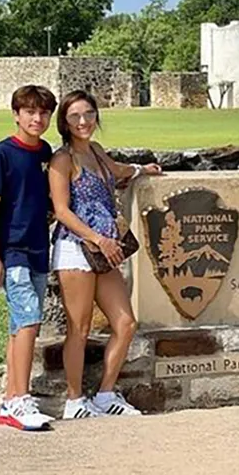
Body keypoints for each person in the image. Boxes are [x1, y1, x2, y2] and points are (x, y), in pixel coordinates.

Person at [48, 89, 162, 419]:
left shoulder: (96, 152)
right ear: (65, 123)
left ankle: (105, 394)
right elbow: (61, 210)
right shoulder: (63, 160)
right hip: (76, 247)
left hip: (104, 251)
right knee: (79, 329)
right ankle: (74, 400)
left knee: (125, 323)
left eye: (88, 114)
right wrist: (98, 238)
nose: (83, 121)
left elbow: (117, 170)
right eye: (75, 117)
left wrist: (141, 169)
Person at [0, 84, 59, 431]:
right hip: (12, 251)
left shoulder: (46, 152)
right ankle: (19, 400)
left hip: (40, 248)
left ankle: (11, 397)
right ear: (16, 114)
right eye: (29, 111)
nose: (36, 118)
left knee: (21, 326)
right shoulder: (2, 154)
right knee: (28, 320)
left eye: (43, 113)